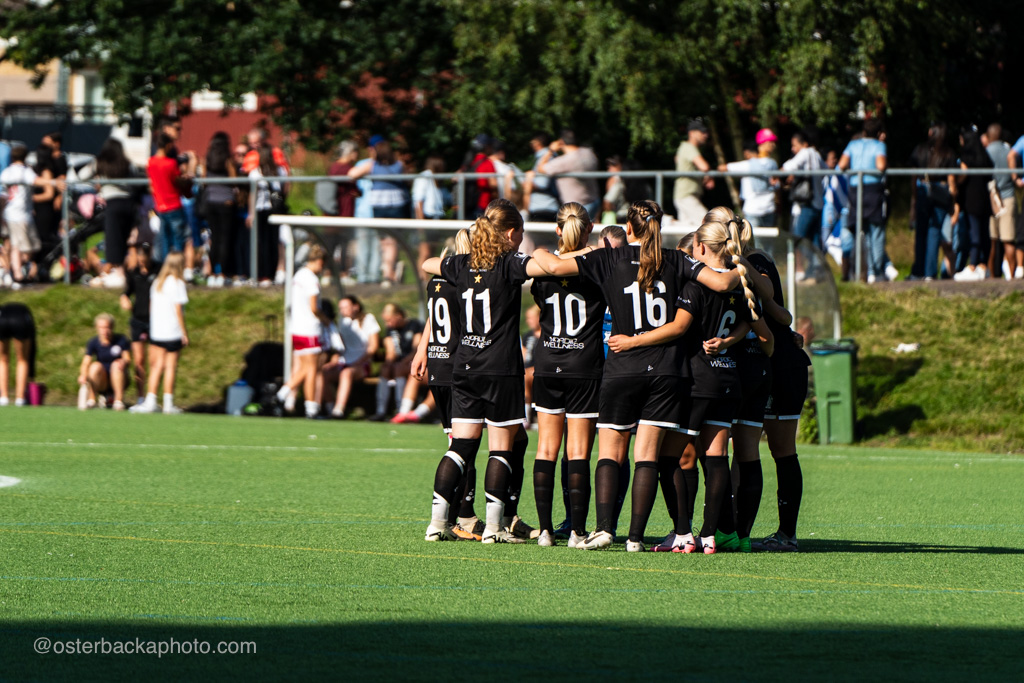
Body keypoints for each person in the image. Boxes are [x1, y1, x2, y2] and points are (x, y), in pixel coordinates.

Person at [530, 200, 745, 551]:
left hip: (622, 365)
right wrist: (742, 265)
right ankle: (634, 539)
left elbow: (552, 264)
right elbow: (722, 285)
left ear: (628, 229)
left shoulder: (609, 257)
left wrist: (537, 249)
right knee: (646, 454)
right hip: (666, 370)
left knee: (611, 452)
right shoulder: (677, 259)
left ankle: (603, 530)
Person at [421, 198, 548, 544]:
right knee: (500, 449)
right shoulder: (509, 263)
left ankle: (437, 522)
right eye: (520, 233)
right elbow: (544, 268)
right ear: (510, 233)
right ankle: (493, 529)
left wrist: (449, 262)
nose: (521, 240)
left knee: (460, 446)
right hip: (501, 369)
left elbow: (429, 262)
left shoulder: (461, 265)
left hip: (464, 366)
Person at [529, 203, 605, 548]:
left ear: (559, 229)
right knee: (578, 452)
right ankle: (576, 531)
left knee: (545, 448)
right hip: (584, 365)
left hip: (547, 363)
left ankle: (545, 531)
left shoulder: (543, 263)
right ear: (588, 230)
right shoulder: (599, 266)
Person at [409, 230, 485, 538]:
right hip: (457, 366)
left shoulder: (436, 280)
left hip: (438, 364)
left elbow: (432, 317)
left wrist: (421, 349)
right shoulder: (464, 279)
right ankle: (459, 516)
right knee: (464, 446)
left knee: (456, 442)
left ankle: (461, 515)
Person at [75, 137, 143, 289]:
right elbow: (136, 178)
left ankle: (117, 273)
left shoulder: (100, 163)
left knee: (113, 238)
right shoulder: (127, 163)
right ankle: (123, 272)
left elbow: (81, 176)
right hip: (129, 203)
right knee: (126, 238)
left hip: (112, 203)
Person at [131, 252, 189, 414]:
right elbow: (178, 309)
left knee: (156, 366)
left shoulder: (157, 282)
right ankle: (168, 403)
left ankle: (150, 400)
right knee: (170, 366)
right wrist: (184, 332)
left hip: (157, 332)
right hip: (171, 331)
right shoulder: (178, 283)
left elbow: (151, 307)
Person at [277, 245, 328, 418]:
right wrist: (326, 320)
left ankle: (288, 395)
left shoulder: (298, 275)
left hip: (296, 328)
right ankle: (307, 405)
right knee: (312, 368)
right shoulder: (311, 279)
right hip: (309, 328)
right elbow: (314, 307)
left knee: (304, 366)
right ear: (319, 261)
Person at [348, 139, 408, 286]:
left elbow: (352, 173)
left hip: (379, 207)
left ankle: (388, 273)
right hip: (396, 206)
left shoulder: (373, 165)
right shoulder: (399, 165)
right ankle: (388, 273)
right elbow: (408, 179)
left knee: (384, 242)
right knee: (391, 241)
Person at [839, 120, 889, 282]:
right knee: (876, 232)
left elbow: (842, 165)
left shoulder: (853, 145)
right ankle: (876, 271)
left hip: (855, 190)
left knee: (863, 231)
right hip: (873, 190)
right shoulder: (879, 145)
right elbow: (881, 165)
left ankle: (866, 272)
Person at [908, 123, 957, 280]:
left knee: (921, 232)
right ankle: (930, 273)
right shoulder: (949, 153)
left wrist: (914, 198)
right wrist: (954, 201)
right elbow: (952, 182)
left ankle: (918, 271)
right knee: (934, 231)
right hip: (941, 192)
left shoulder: (920, 150)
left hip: (923, 189)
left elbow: (913, 176)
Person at [1, 145, 53, 285]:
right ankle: (16, 273)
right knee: (23, 247)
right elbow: (36, 181)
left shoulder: (6, 172)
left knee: (23, 245)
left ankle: (13, 270)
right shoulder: (24, 171)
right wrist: (53, 182)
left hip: (11, 212)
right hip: (19, 214)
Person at [368, 303, 423, 421]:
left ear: (398, 316)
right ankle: (380, 411)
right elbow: (390, 351)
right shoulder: (391, 329)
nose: (388, 324)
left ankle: (400, 409)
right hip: (399, 364)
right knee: (385, 369)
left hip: (413, 363)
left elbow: (417, 349)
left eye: (389, 320)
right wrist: (388, 361)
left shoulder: (415, 325)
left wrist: (403, 361)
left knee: (399, 368)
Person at [148, 132, 198, 263]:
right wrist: (191, 168)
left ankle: (166, 269)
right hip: (174, 205)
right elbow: (180, 182)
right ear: (168, 145)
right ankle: (178, 269)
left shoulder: (151, 162)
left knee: (165, 240)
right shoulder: (170, 164)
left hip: (161, 206)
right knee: (179, 240)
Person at [330, 295, 381, 419]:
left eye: (345, 307)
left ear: (355, 306)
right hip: (346, 361)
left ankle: (338, 410)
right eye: (340, 308)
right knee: (323, 373)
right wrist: (336, 357)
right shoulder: (343, 321)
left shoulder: (369, 319)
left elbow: (373, 347)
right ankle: (328, 407)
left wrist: (358, 362)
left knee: (346, 373)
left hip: (363, 364)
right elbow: (341, 346)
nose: (342, 311)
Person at [953, 128, 994, 281]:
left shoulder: (967, 156)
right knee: (984, 233)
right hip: (985, 198)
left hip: (971, 198)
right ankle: (983, 266)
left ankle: (972, 266)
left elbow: (962, 176)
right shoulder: (984, 155)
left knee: (974, 233)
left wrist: (954, 183)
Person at [119, 242, 157, 404]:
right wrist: (124, 299)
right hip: (138, 321)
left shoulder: (158, 270)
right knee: (139, 361)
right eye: (140, 256)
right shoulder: (133, 273)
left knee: (154, 360)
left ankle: (152, 396)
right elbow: (126, 293)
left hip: (155, 322)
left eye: (145, 256)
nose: (142, 260)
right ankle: (141, 397)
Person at [200, 132, 239, 287]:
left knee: (214, 239)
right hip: (226, 202)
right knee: (225, 239)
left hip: (211, 202)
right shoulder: (228, 160)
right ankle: (222, 272)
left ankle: (213, 273)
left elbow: (203, 181)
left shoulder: (206, 160)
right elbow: (235, 180)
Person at [535, 129, 600, 218]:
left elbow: (540, 168)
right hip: (594, 203)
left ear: (561, 142)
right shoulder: (589, 153)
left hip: (575, 207)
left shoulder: (564, 161)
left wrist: (550, 150)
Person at [717, 136, 778, 228]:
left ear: (746, 153)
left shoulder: (747, 165)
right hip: (769, 207)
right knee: (768, 240)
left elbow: (722, 168)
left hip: (752, 208)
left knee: (752, 238)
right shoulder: (771, 163)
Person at [247, 146, 287, 284]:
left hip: (267, 210)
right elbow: (285, 188)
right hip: (264, 210)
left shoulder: (259, 172)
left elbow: (252, 195)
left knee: (269, 242)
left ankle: (268, 273)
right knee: (267, 243)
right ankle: (266, 273)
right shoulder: (276, 171)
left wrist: (251, 213)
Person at [78, 313, 131, 411]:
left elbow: (127, 358)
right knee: (94, 366)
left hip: (120, 376)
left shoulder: (121, 340)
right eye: (101, 328)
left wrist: (123, 362)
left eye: (107, 327)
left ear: (112, 327)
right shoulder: (93, 342)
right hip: (103, 380)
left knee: (116, 364)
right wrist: (83, 375)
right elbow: (86, 362)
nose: (105, 331)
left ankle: (118, 401)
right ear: (97, 328)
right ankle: (92, 399)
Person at [984, 124, 1017, 279]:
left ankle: (992, 278)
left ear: (989, 136)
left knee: (992, 242)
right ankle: (1012, 277)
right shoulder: (1009, 151)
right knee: (1008, 241)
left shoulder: (986, 152)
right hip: (1009, 197)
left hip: (992, 199)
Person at [783, 130, 826, 245]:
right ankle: (816, 263)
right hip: (818, 205)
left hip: (807, 204)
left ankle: (798, 263)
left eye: (795, 145)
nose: (793, 149)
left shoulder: (806, 152)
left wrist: (777, 173)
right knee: (815, 242)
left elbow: (790, 166)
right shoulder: (817, 154)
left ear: (805, 144)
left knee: (797, 239)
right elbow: (826, 170)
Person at [674, 121, 715, 228]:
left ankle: (668, 224)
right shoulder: (689, 147)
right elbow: (704, 166)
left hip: (684, 195)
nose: (705, 135)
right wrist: (709, 176)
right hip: (686, 195)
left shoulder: (684, 147)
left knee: (687, 229)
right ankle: (667, 223)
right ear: (691, 133)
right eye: (702, 132)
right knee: (708, 223)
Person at [0, 302, 36, 406]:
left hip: (2, 320)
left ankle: (3, 397)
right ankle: (20, 398)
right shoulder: (25, 312)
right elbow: (33, 349)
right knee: (22, 359)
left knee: (2, 360)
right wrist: (32, 375)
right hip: (20, 321)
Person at [522, 133, 560, 223]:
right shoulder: (548, 157)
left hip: (543, 208)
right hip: (544, 208)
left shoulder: (547, 158)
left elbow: (542, 183)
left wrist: (528, 180)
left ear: (537, 144)